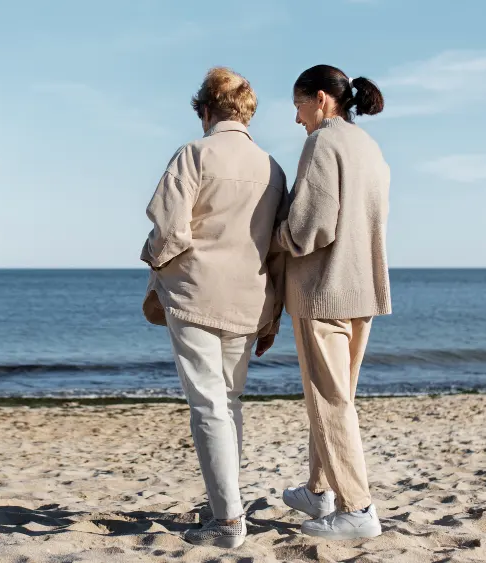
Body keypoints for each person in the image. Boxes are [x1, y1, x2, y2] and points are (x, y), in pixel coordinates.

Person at [141, 67, 287, 548]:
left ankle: (226, 521)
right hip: (251, 298)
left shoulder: (194, 154)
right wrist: (274, 315)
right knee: (228, 403)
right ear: (245, 112)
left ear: (205, 110)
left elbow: (169, 231)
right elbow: (277, 250)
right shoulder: (273, 167)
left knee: (208, 405)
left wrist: (156, 270)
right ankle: (228, 507)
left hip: (196, 294)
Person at [275, 64, 391, 540]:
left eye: (299, 105)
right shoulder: (369, 147)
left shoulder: (322, 143)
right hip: (362, 288)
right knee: (337, 397)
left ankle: (358, 509)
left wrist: (275, 237)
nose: (297, 118)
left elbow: (311, 226)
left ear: (321, 99)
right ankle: (320, 488)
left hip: (324, 289)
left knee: (330, 402)